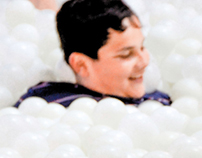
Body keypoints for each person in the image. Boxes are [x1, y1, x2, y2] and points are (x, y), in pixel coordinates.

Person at [15, 0, 172, 108]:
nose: (144, 61)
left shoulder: (156, 101)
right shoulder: (46, 101)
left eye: (142, 47)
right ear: (81, 65)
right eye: (126, 54)